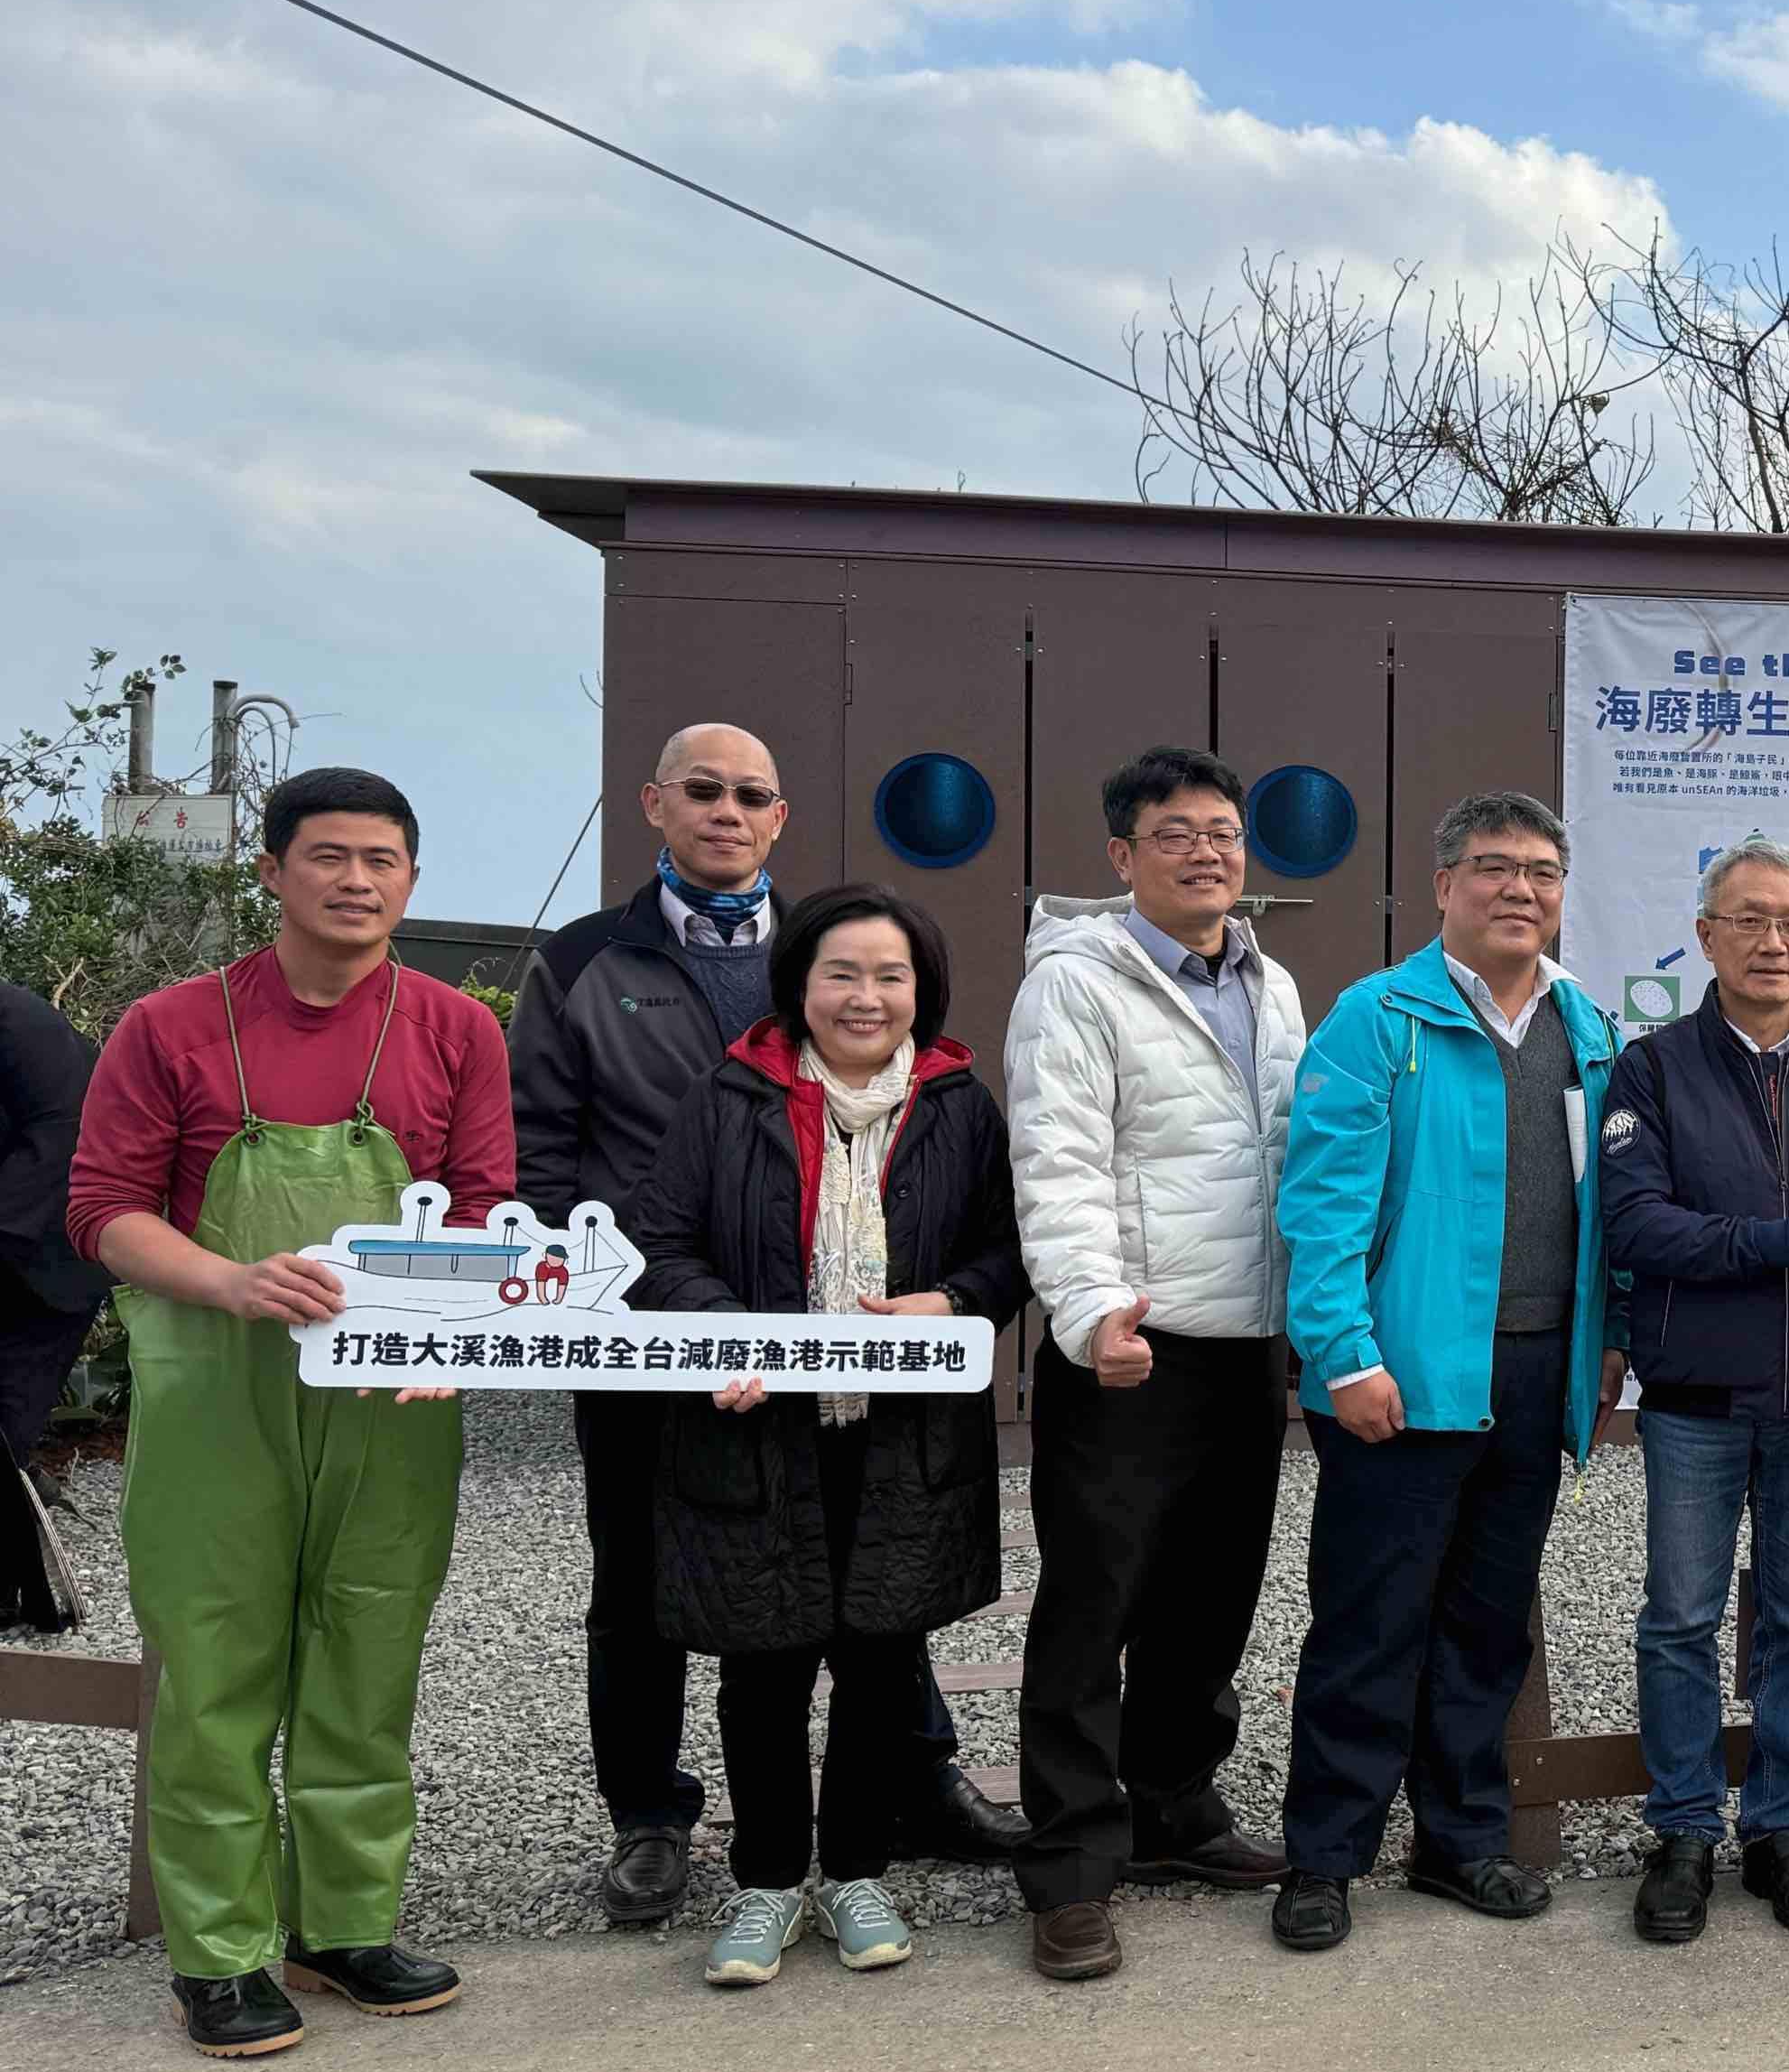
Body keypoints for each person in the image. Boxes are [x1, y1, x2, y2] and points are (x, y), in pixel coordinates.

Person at [511, 721, 1017, 1930]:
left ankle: (906, 1788)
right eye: (702, 790)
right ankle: (651, 1814)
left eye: (751, 794)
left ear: (780, 817)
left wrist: (949, 1301)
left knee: (872, 1581)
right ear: (653, 802)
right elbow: (541, 1149)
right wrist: (648, 1312)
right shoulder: (585, 960)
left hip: (849, 1369)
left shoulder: (832, 948)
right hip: (654, 1324)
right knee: (646, 1582)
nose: (726, 812)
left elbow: (996, 1243)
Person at [67, 768, 512, 2058]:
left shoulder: (455, 1030)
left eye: (383, 859)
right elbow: (103, 1207)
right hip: (218, 1389)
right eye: (327, 855)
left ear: (412, 881)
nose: (356, 880)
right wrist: (230, 1281)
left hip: (391, 1396)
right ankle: (218, 1951)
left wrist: (448, 1331)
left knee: (369, 1653)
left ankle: (344, 1924)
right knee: (214, 1667)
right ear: (271, 870)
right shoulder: (169, 1025)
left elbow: (484, 1207)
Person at [625, 887, 1026, 1985]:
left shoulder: (958, 1105)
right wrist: (723, 1329)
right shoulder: (731, 1095)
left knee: (884, 1658)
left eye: (890, 976)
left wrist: (951, 1302)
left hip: (903, 1435)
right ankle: (764, 1882)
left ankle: (855, 1871)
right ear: (798, 984)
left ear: (921, 991)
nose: (865, 997)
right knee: (762, 1662)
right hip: (756, 1426)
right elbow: (658, 1242)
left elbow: (1007, 1251)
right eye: (841, 973)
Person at [1275, 790, 1624, 1954]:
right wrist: (1345, 1353)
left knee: (1485, 1627)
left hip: (1535, 1372)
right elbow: (1321, 1209)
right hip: (1402, 1378)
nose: (1519, 889)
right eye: (1492, 867)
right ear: (1442, 886)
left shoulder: (1588, 1029)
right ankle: (1325, 1857)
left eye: (1541, 872)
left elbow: (1607, 1214)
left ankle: (1460, 1843)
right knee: (1369, 1626)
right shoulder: (1380, 1018)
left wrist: (1608, 1341)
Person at [1003, 747, 1311, 1983]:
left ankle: (1175, 1804)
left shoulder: (1272, 983)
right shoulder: (1078, 983)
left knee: (1209, 1598)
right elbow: (1060, 1156)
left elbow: (1295, 1159)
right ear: (1121, 856)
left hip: (1246, 1343)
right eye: (1175, 833)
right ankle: (1072, 1863)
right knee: (1095, 1604)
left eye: (1222, 832)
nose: (1206, 852)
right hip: (1128, 1346)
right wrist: (1088, 1312)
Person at [1599, 834, 1789, 1944]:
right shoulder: (1651, 1069)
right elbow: (1635, 1224)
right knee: (1678, 1620)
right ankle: (1681, 1829)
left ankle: (1780, 1828)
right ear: (1705, 936)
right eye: (1750, 920)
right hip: (1695, 1400)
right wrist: (1777, 1238)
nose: (1774, 942)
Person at [4, 981, 109, 1627]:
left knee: (5, 1418)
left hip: (43, 1257)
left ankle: (19, 1592)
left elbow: (68, 1129)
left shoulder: (18, 1021)